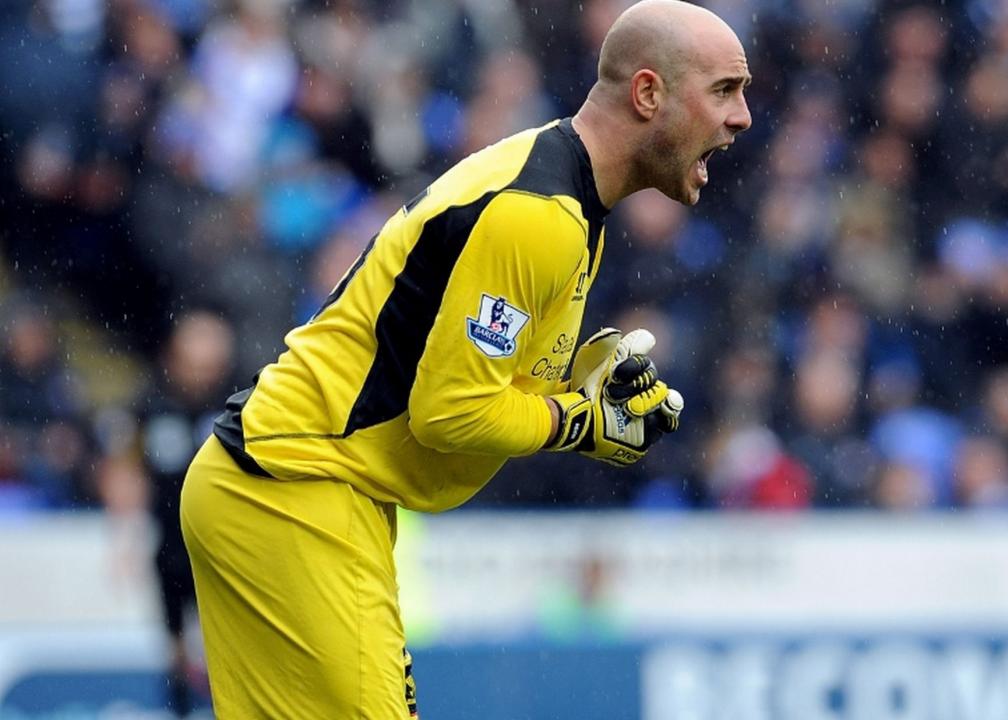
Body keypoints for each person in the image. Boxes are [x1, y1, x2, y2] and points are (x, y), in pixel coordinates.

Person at [179, 0, 751, 716]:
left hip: (279, 481)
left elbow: (461, 364)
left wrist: (583, 384)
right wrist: (577, 421)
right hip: (294, 486)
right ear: (647, 93)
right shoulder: (539, 213)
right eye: (724, 90)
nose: (741, 117)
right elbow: (450, 412)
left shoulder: (562, 192)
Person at [135, 310, 236, 716]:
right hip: (169, 546)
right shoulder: (152, 403)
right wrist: (124, 535)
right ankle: (178, 706)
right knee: (175, 647)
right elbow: (126, 467)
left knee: (226, 646)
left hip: (221, 548)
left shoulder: (237, 401)